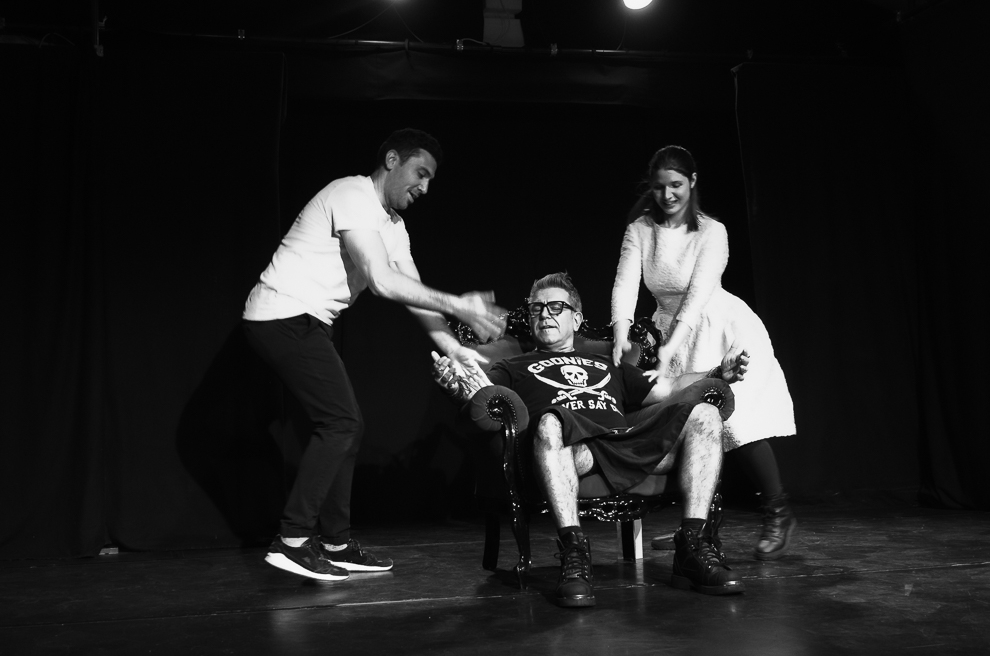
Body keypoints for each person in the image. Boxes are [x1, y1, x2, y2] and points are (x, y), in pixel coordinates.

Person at [243, 128, 506, 582]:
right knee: (341, 423)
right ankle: (291, 541)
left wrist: (453, 346)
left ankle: (336, 543)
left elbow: (413, 291)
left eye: (431, 179)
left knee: (346, 426)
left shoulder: (394, 226)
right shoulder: (351, 194)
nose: (425, 187)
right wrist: (460, 306)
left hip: (306, 322)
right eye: (420, 173)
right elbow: (382, 281)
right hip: (281, 314)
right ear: (391, 161)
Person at [434, 272, 748, 607]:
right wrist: (457, 388)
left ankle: (693, 548)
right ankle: (574, 554)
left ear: (576, 318)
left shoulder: (609, 364)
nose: (545, 314)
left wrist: (718, 373)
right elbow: (481, 392)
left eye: (556, 307)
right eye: (537, 308)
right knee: (550, 421)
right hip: (574, 449)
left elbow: (669, 387)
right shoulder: (513, 366)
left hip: (628, 443)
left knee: (705, 414)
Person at [610, 145, 797, 561]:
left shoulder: (713, 232)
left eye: (676, 185)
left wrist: (667, 352)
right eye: (659, 187)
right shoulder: (640, 230)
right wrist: (622, 333)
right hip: (668, 330)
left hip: (717, 326)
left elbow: (695, 300)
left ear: (692, 182)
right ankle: (700, 526)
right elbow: (625, 285)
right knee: (691, 424)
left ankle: (778, 512)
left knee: (736, 423)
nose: (667, 195)